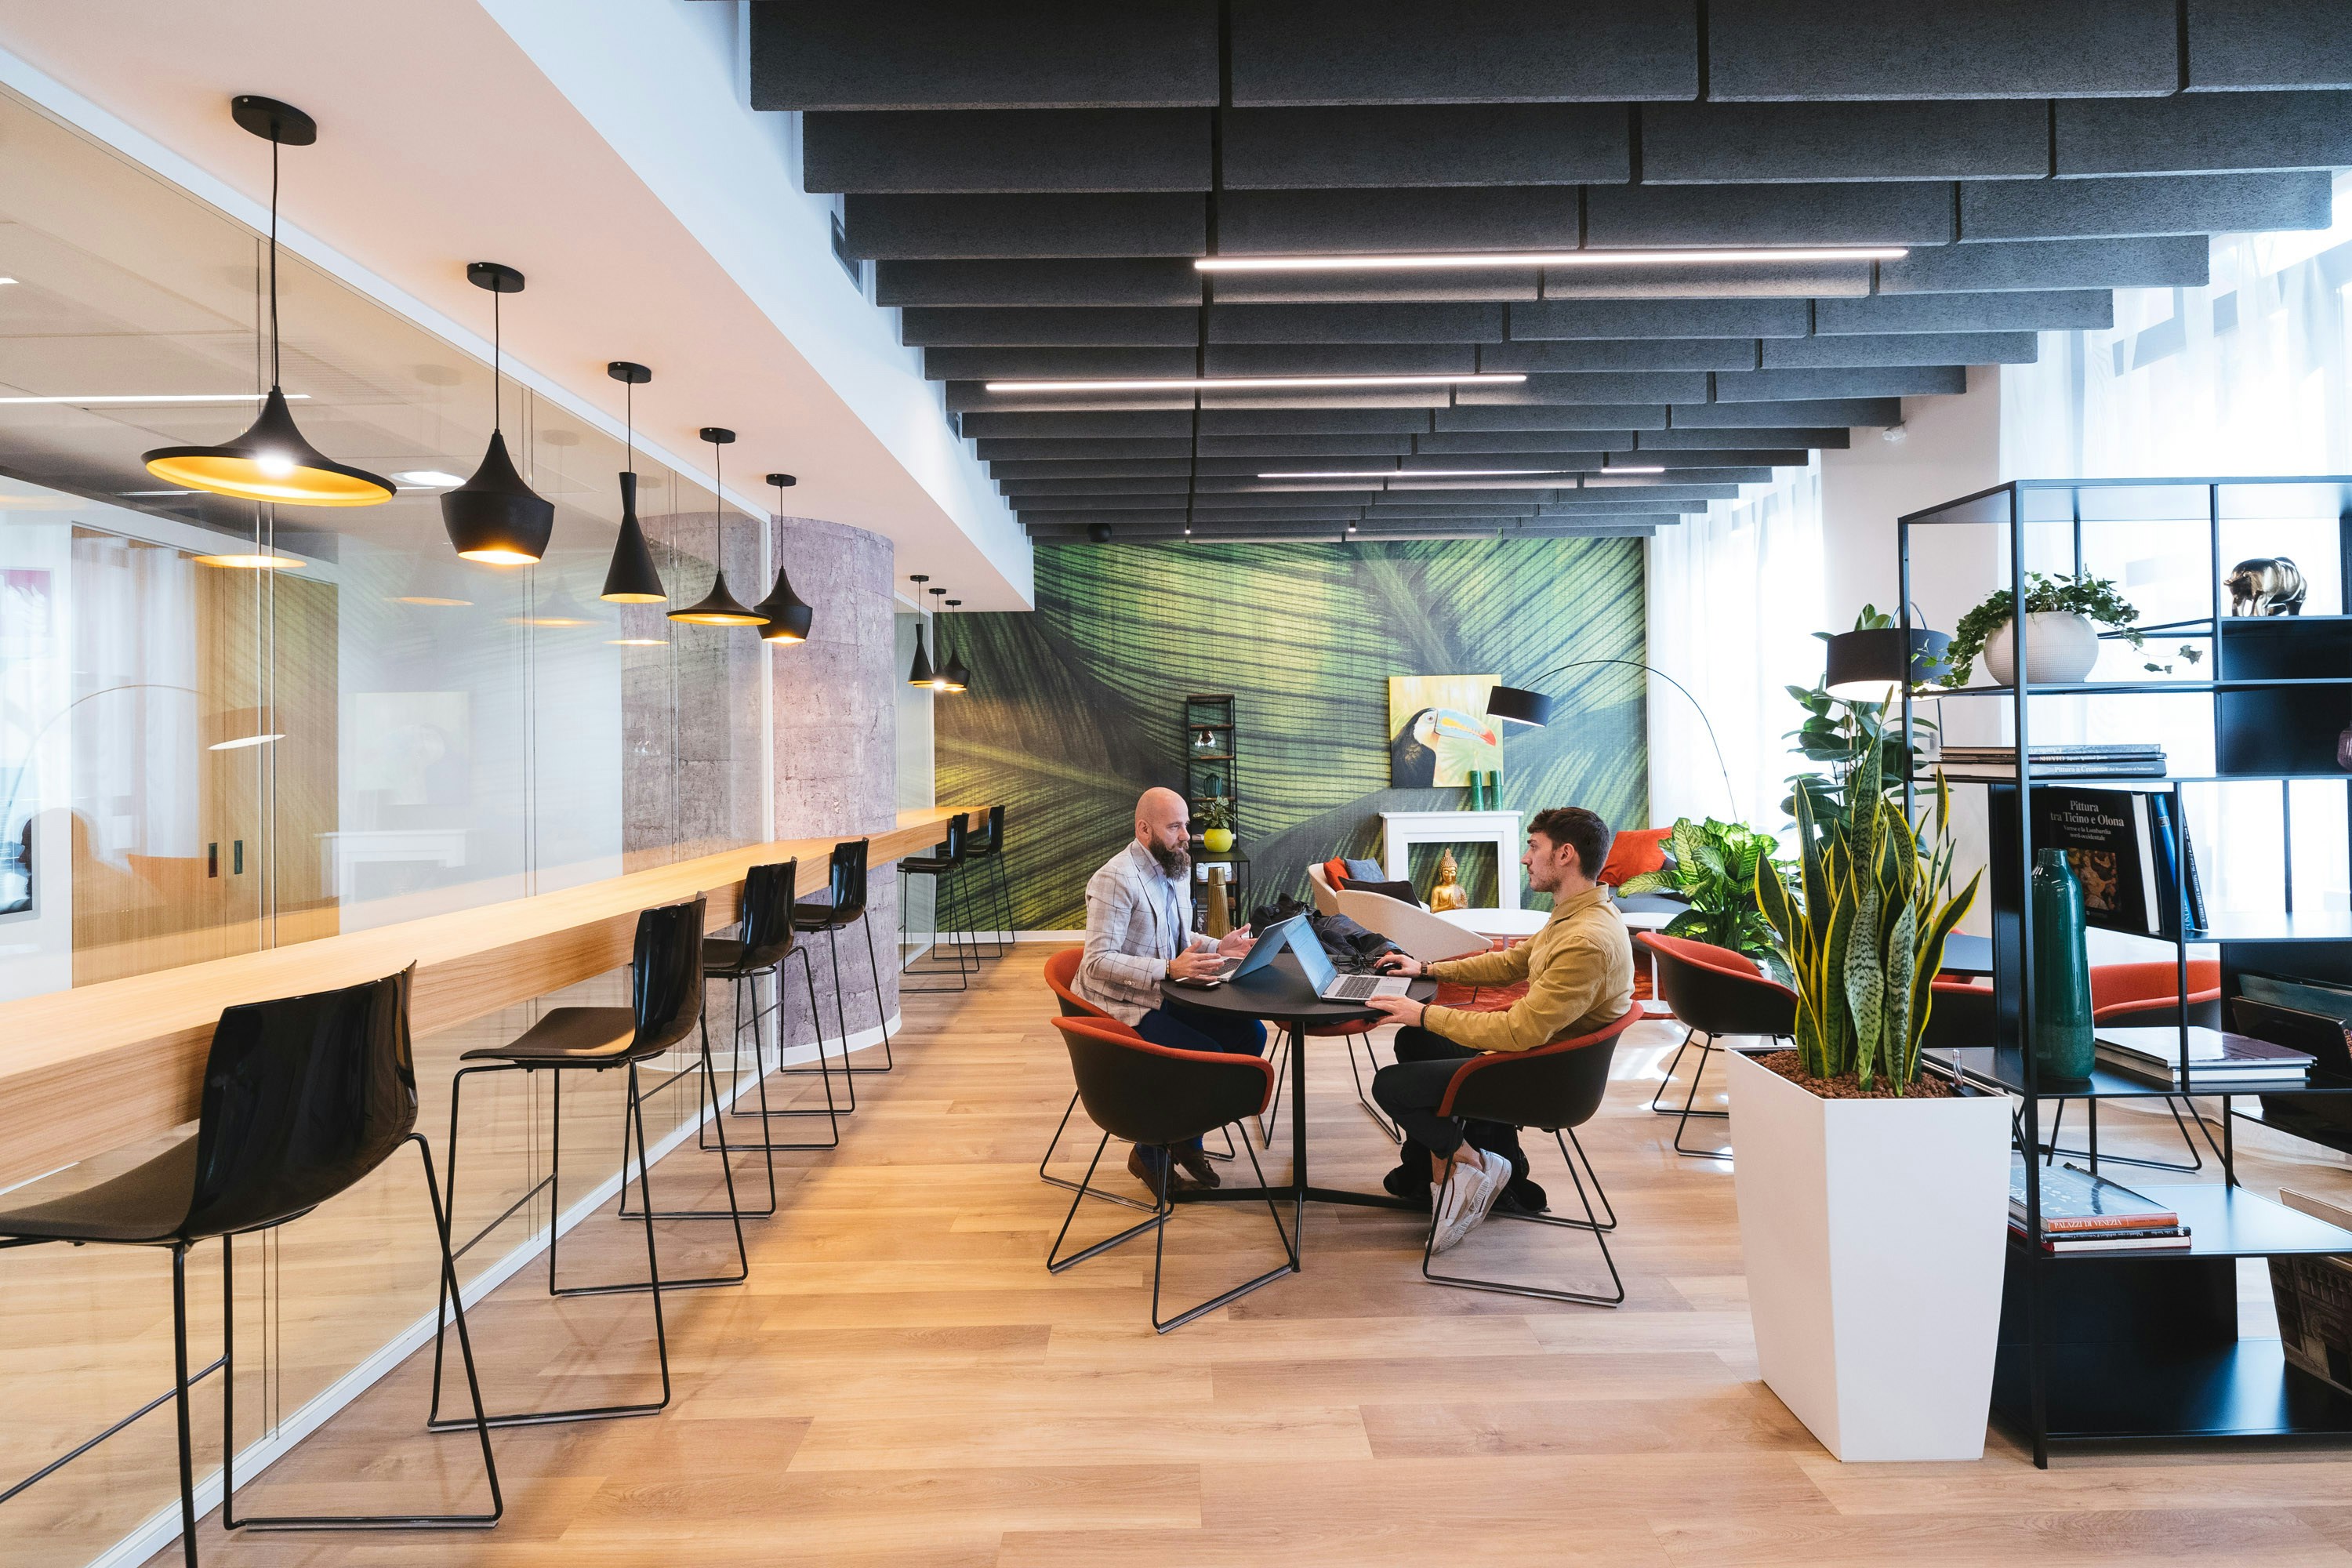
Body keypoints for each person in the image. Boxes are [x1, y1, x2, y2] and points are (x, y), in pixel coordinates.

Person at [1358, 806, 1633, 1252]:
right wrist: (1427, 968)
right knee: (1415, 1040)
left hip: (1543, 1076)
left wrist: (1423, 1011)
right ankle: (1451, 1165)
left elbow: (1518, 1032)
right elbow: (1511, 963)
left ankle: (1476, 1162)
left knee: (1392, 1087)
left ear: (1565, 855)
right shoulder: (1577, 915)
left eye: (1533, 847)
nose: (1526, 858)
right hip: (1541, 1057)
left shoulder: (1586, 940)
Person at [1077, 786, 1261, 1192]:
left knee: (1252, 1034)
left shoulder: (1174, 869)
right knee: (1205, 1058)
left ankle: (1184, 1136)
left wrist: (1219, 946)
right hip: (1119, 1005)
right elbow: (1095, 961)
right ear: (1144, 829)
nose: (1185, 835)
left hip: (1165, 990)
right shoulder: (1115, 879)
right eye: (1174, 826)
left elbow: (1179, 937)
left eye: (1186, 825)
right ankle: (1150, 1151)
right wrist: (1168, 968)